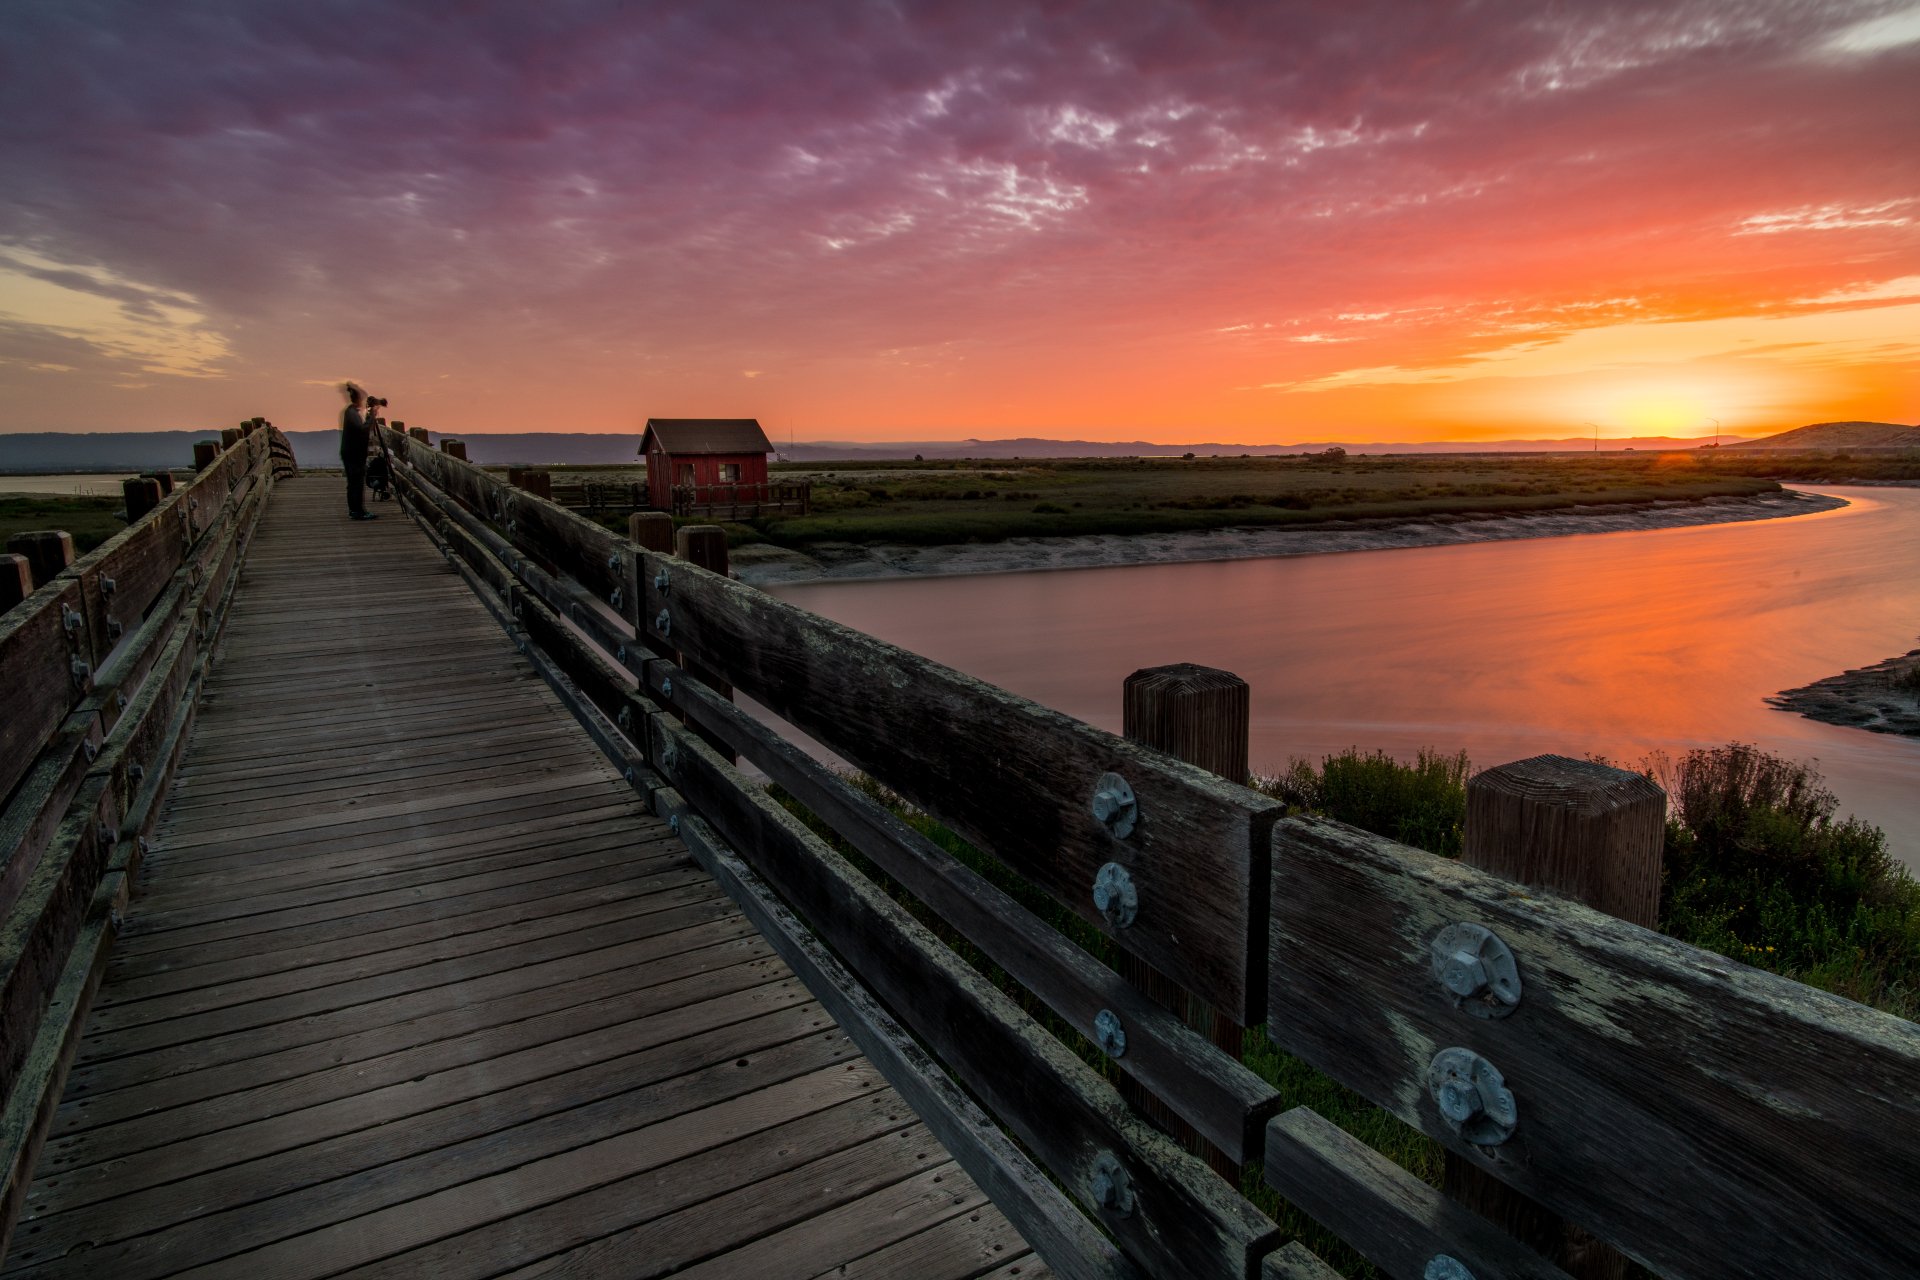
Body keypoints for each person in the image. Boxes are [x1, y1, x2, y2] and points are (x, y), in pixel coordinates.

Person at [339, 382, 376, 520]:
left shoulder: (350, 412)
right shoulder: (351, 413)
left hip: (351, 452)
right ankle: (357, 511)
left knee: (354, 482)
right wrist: (371, 416)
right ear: (358, 399)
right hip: (353, 454)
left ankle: (356, 510)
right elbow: (362, 430)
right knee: (356, 482)